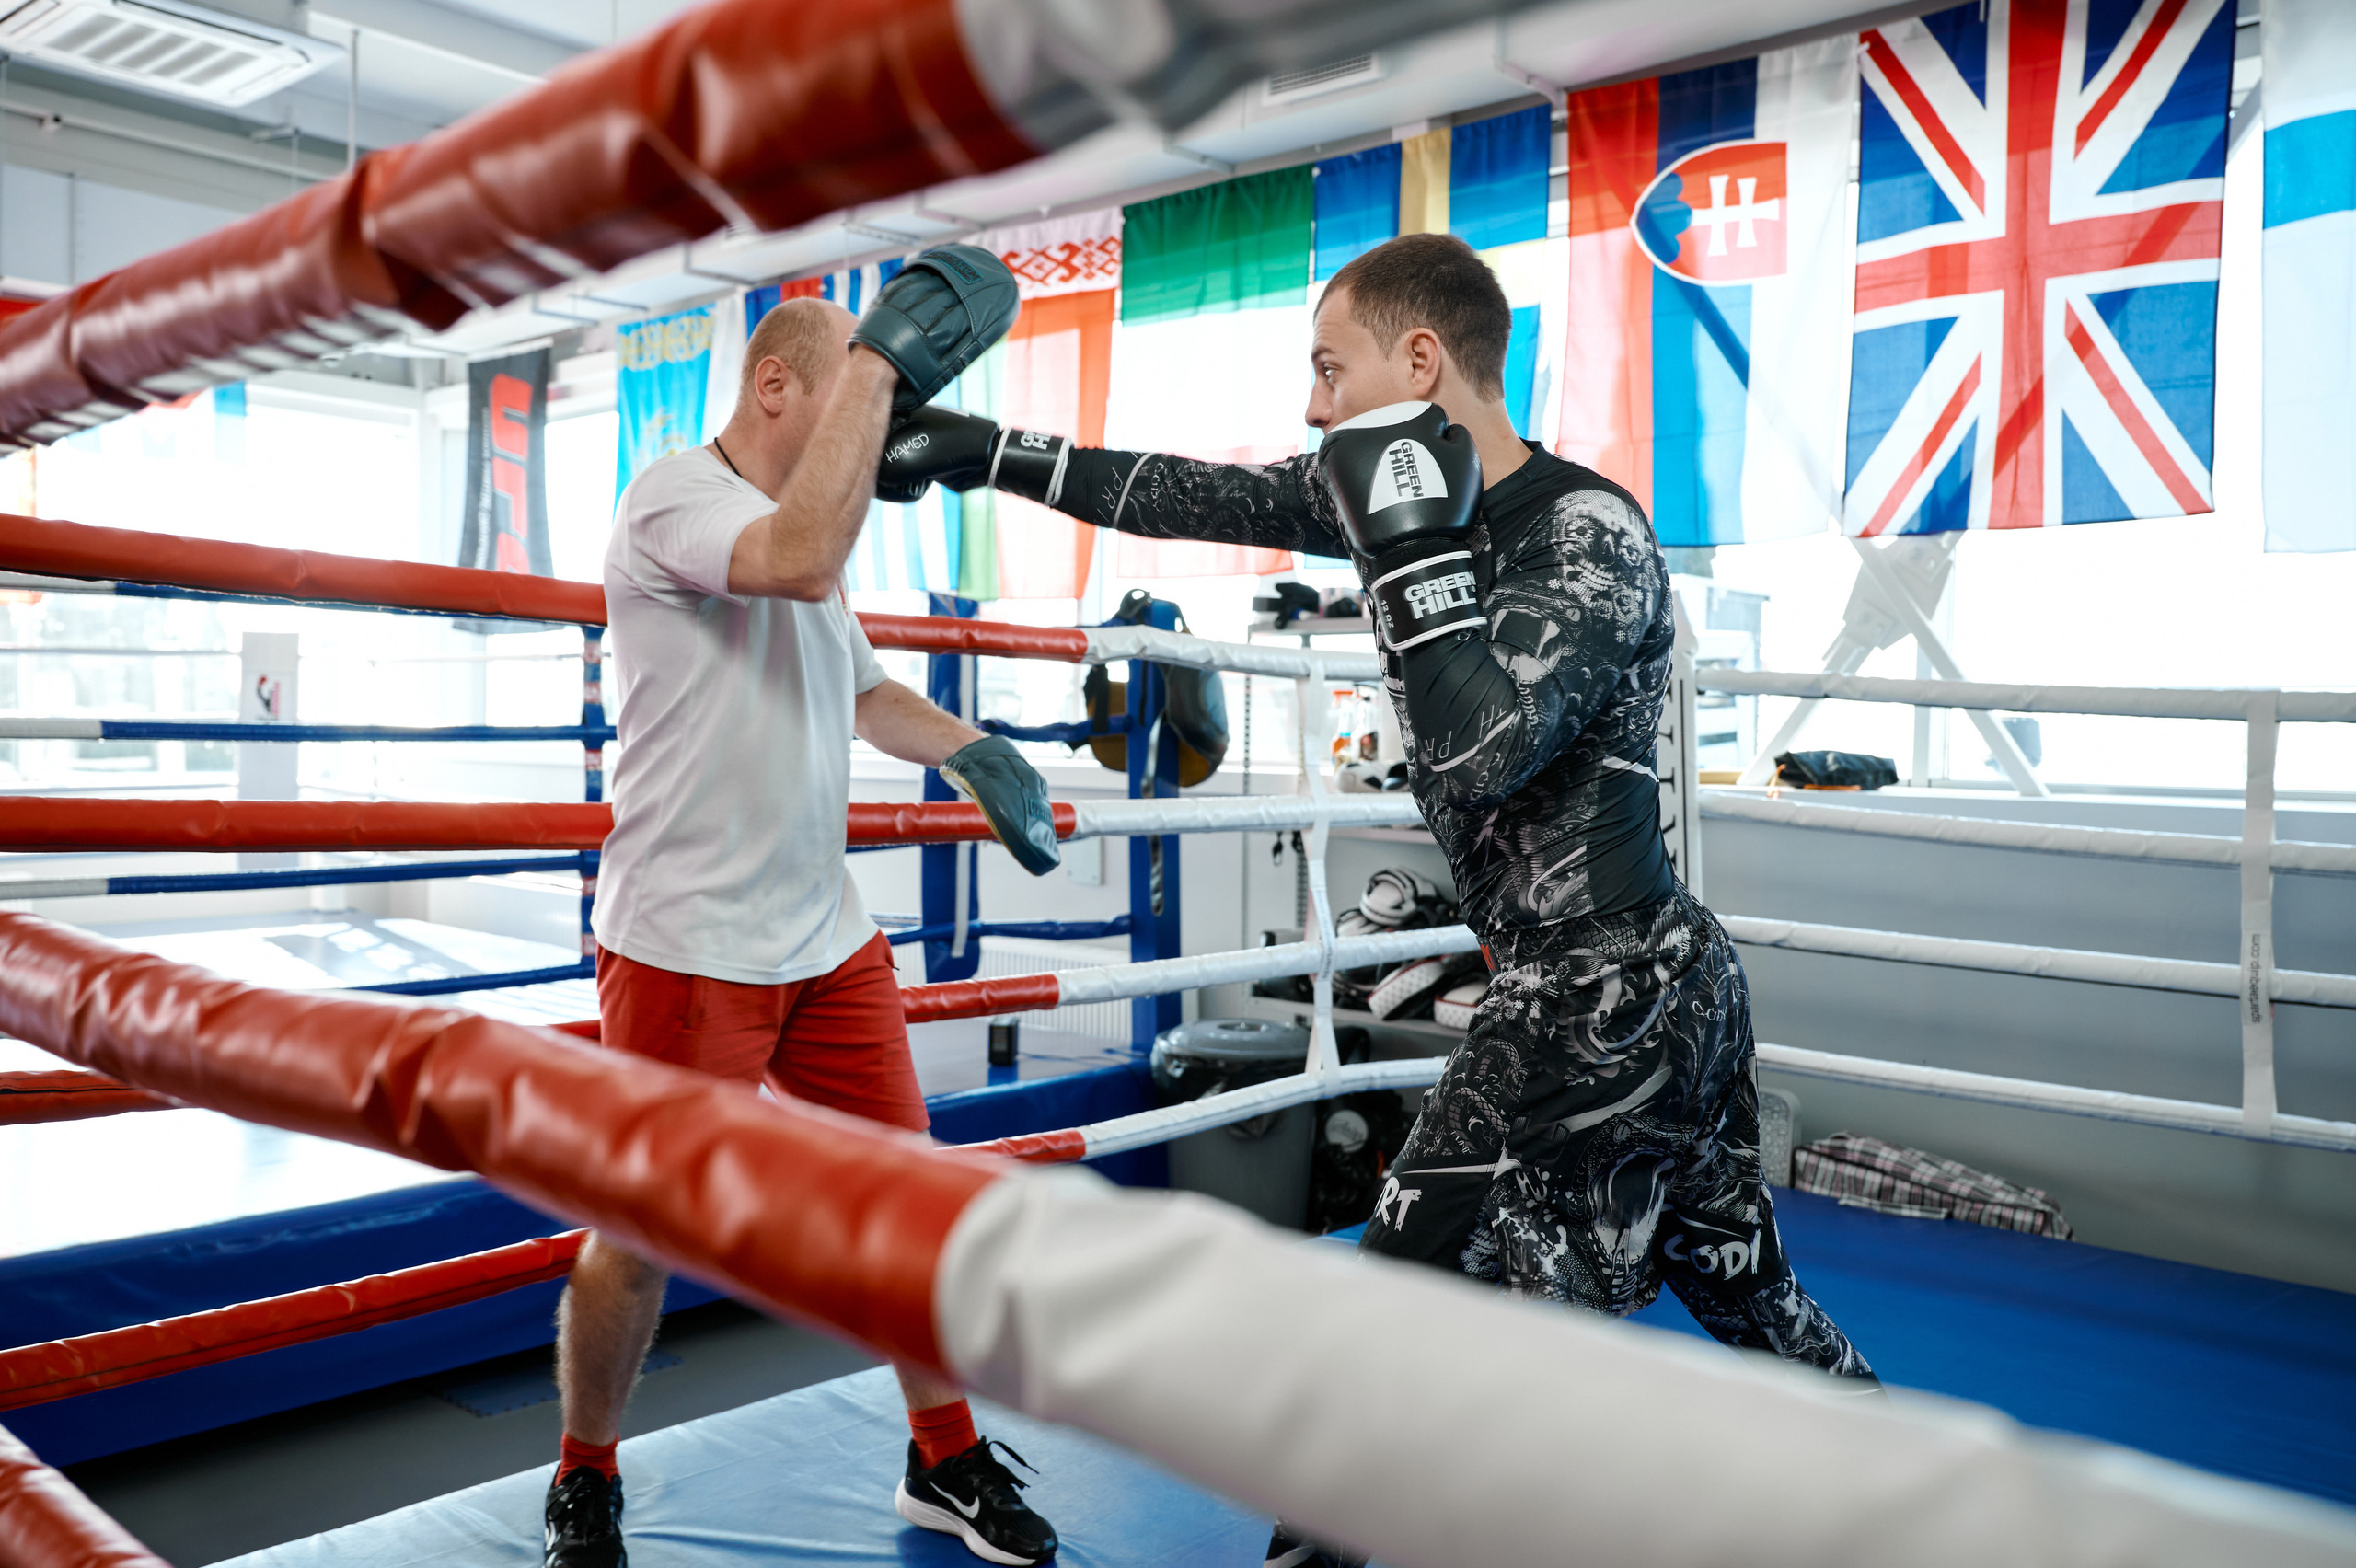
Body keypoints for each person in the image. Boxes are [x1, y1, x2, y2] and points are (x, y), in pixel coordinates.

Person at [876, 231, 1877, 1567]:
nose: (1311, 405)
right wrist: (986, 451)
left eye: (1329, 368)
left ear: (1419, 364)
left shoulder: (1589, 537)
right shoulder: (1380, 496)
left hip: (1608, 990)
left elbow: (1485, 749)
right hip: (1626, 983)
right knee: (1740, 1284)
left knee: (1391, 1325)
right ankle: (1933, 1498)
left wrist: (1408, 550)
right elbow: (1197, 494)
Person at [548, 254, 1064, 1568]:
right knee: (642, 1239)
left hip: (824, 937)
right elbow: (793, 555)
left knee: (908, 1202)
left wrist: (969, 747)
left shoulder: (811, 544)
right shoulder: (675, 497)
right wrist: (884, 359)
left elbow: (862, 692)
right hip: (686, 945)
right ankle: (586, 1474)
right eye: (853, 399)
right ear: (778, 386)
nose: (872, 430)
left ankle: (941, 1457)